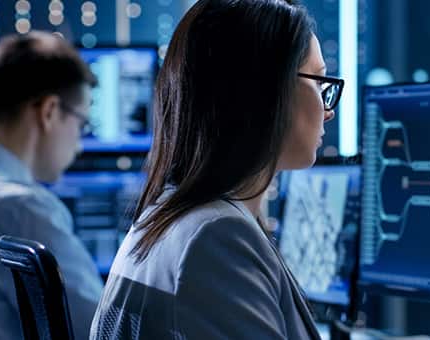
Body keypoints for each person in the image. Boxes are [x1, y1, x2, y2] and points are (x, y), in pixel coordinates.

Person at [90, 0, 343, 338]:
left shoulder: (164, 218)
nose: (328, 111)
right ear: (267, 90)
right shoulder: (216, 237)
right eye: (318, 81)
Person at [0, 31, 103, 339]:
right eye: (82, 123)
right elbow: (101, 332)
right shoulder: (20, 207)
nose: (79, 147)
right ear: (49, 111)